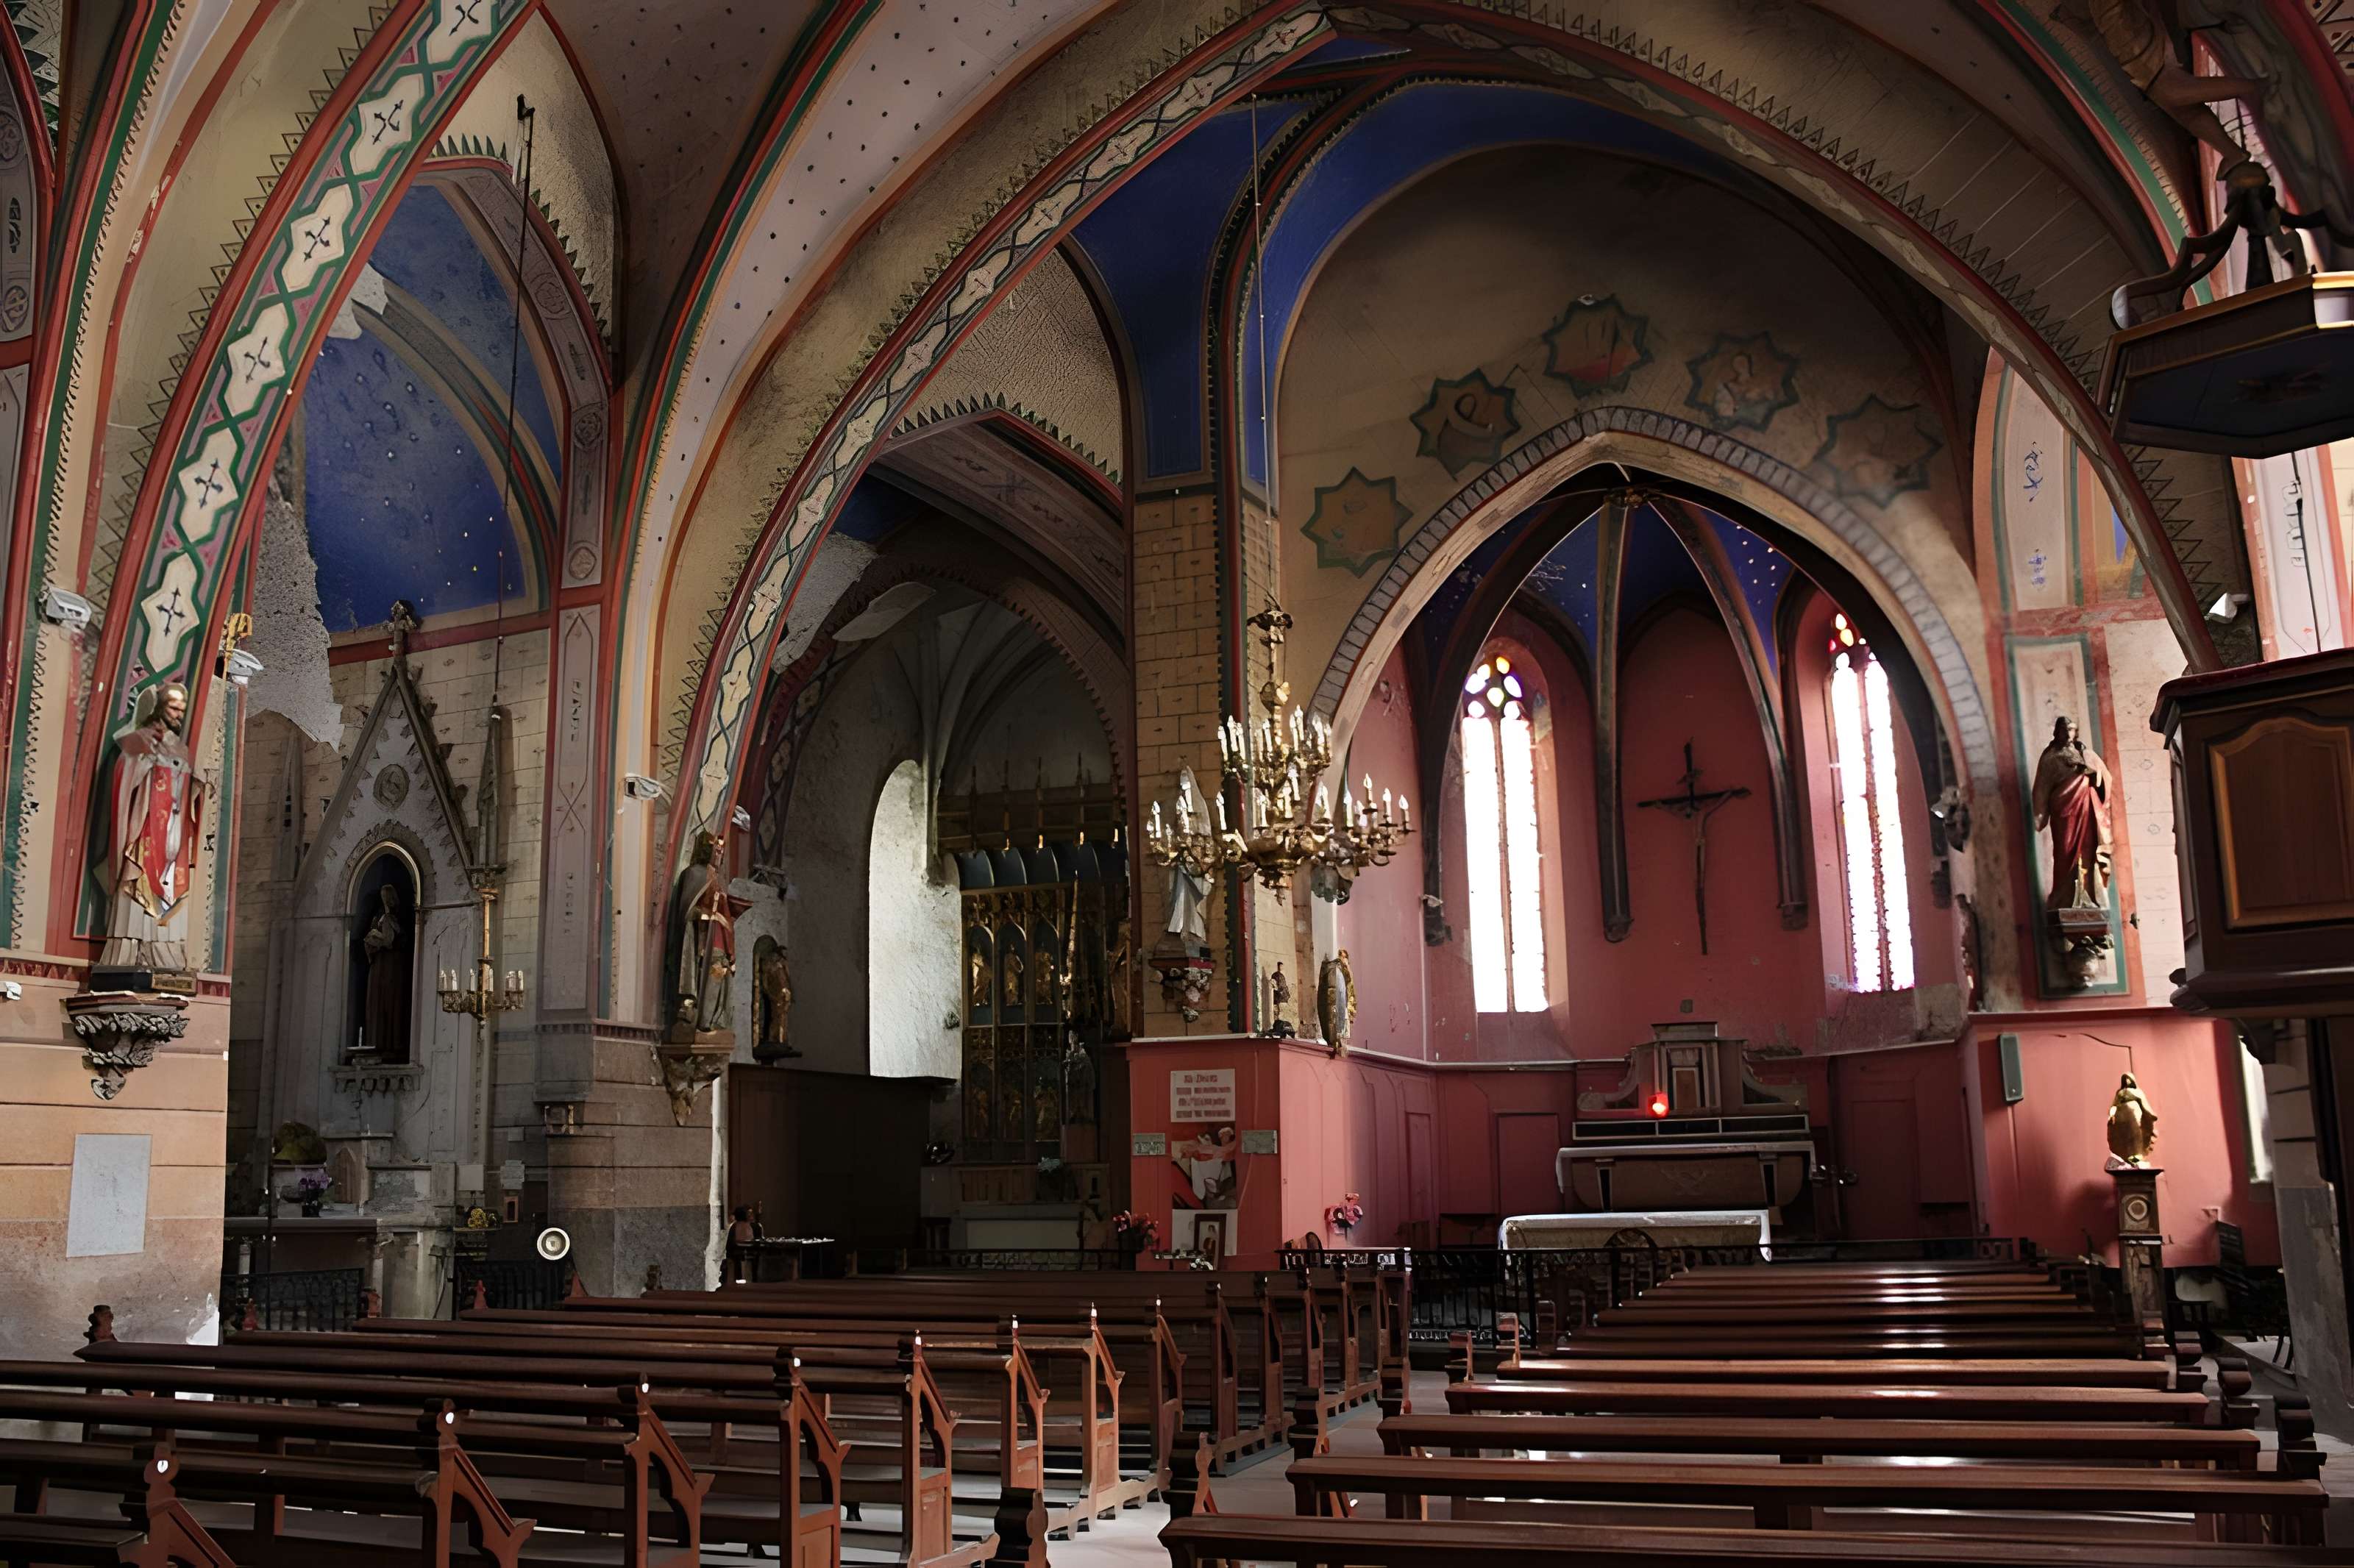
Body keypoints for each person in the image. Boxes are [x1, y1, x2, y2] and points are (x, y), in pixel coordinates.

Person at [100, 683, 203, 976]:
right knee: (140, 879)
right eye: (173, 708)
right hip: (147, 828)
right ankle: (131, 951)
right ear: (159, 707)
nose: (178, 715)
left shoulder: (180, 747)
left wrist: (197, 785)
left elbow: (188, 789)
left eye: (182, 710)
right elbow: (124, 773)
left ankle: (164, 954)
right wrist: (145, 764)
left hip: (173, 831)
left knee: (172, 883)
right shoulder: (141, 739)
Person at [2030, 716, 2113, 910]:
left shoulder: (2084, 753)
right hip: (2064, 813)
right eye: (2064, 730)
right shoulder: (2050, 758)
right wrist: (2039, 815)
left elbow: (2104, 778)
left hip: (2087, 809)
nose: (2068, 734)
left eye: (2072, 730)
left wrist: (2094, 774)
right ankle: (2065, 898)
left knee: (2089, 850)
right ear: (2057, 733)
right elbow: (2041, 788)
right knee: (2065, 853)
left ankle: (2089, 896)